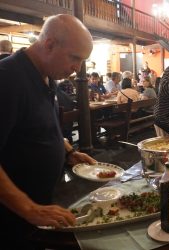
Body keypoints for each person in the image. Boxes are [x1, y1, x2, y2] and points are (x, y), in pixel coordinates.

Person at [0, 14, 96, 248]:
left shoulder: (46, 75)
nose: (78, 69)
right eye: (75, 58)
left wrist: (68, 152)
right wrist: (29, 208)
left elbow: (42, 126)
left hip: (37, 206)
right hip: (9, 217)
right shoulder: (7, 78)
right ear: (50, 44)